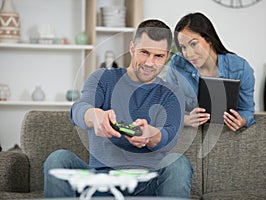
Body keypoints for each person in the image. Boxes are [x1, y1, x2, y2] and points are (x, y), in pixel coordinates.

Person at [43, 19, 193, 198]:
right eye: (144, 52)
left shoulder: (171, 93)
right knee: (58, 158)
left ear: (167, 56)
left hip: (147, 181)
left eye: (158, 56)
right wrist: (94, 116)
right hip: (101, 180)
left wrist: (151, 135)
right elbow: (79, 108)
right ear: (132, 48)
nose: (149, 63)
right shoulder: (103, 78)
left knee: (178, 162)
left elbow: (169, 135)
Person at [166, 12, 255, 131]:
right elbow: (168, 108)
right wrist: (186, 119)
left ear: (209, 39)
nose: (189, 54)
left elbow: (247, 110)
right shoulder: (177, 64)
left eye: (193, 44)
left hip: (226, 136)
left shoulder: (240, 68)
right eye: (183, 47)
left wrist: (242, 120)